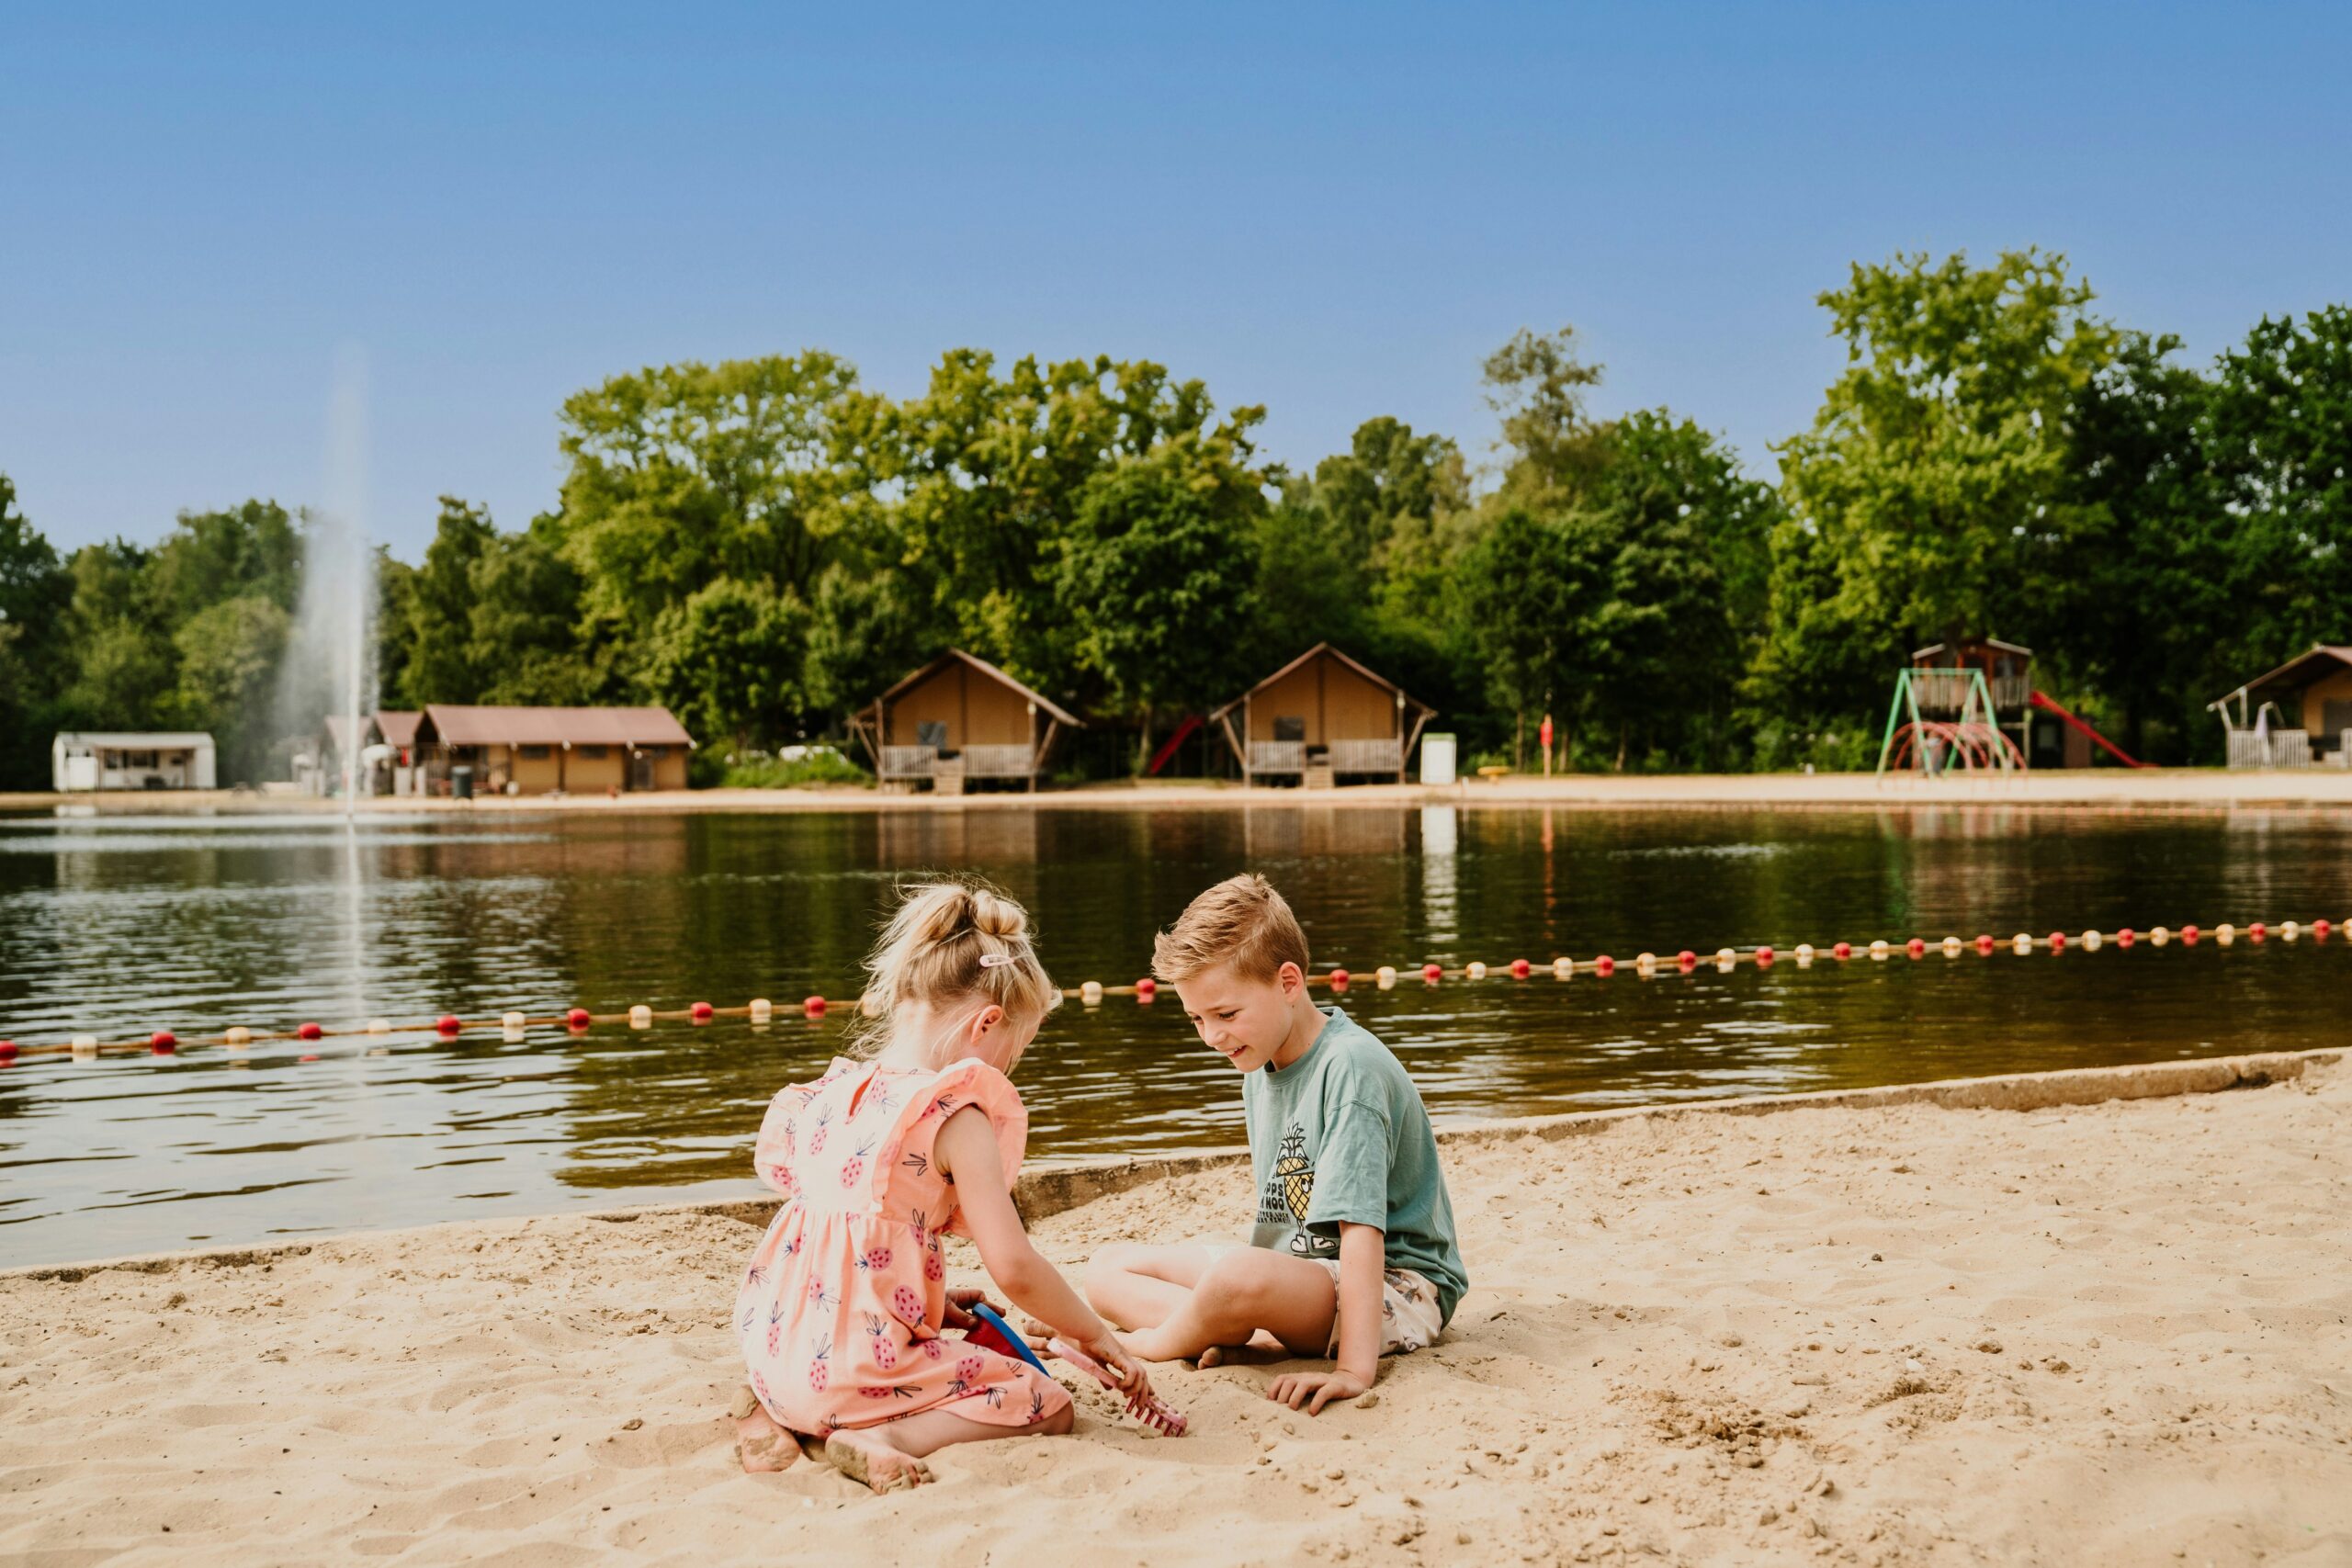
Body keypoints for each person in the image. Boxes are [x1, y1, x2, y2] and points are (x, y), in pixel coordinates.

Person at [733, 880, 1154, 1493]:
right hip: (851, 1374)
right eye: (1013, 1052)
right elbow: (1015, 1268)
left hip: (776, 1355)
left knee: (837, 1372)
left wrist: (925, 1298)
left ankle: (774, 1413)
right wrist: (1093, 1333)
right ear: (987, 1023)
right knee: (1045, 1401)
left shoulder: (830, 1095)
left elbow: (839, 1254)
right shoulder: (955, 1114)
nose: (1007, 1068)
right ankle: (883, 1437)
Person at [1086, 874, 1468, 1415]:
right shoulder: (1259, 1058)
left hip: (1394, 1288)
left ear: (1288, 982)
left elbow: (1360, 1234)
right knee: (1107, 1267)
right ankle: (1224, 1328)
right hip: (1299, 1268)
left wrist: (1353, 1372)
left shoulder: (1350, 1069)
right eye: (1196, 1018)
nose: (1211, 1037)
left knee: (1236, 1277)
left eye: (1225, 1014)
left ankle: (1158, 1341)